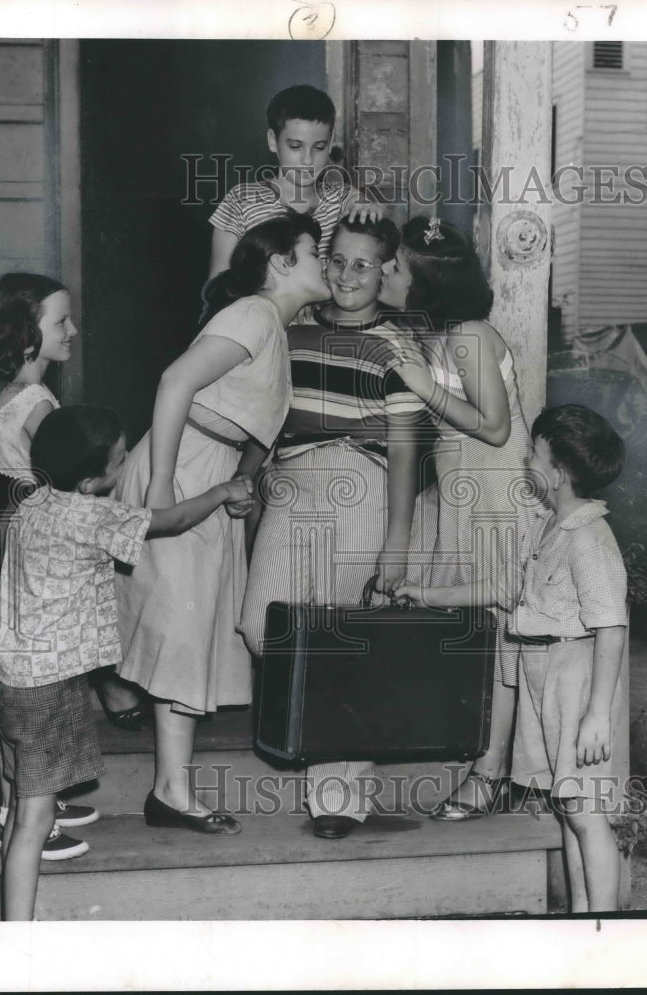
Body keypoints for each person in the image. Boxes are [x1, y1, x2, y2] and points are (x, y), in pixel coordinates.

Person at [115, 213, 331, 835]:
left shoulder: (272, 328)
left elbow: (250, 424)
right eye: (313, 251)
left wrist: (242, 483)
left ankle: (168, 788)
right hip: (178, 464)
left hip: (206, 473)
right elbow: (175, 380)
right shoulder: (253, 315)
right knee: (178, 629)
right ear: (282, 262)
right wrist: (160, 485)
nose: (322, 262)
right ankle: (170, 789)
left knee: (189, 629)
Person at [0, 404, 252, 920]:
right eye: (120, 459)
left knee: (18, 798)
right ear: (91, 482)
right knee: (32, 826)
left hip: (10, 681)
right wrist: (223, 490)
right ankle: (16, 938)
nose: (127, 462)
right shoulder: (95, 515)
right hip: (49, 690)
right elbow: (173, 519)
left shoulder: (30, 504)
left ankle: (12, 876)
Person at [396, 404, 628, 913]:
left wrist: (596, 715)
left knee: (586, 813)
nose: (526, 462)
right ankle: (583, 917)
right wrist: (424, 593)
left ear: (559, 473)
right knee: (568, 810)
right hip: (540, 675)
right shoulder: (545, 527)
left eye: (535, 454)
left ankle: (608, 930)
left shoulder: (589, 538)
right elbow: (504, 590)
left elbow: (611, 628)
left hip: (576, 678)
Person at [240, 215, 427, 839]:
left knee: (344, 634)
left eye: (364, 264)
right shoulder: (289, 330)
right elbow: (264, 417)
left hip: (361, 486)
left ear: (385, 271)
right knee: (261, 619)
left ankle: (338, 794)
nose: (348, 275)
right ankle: (311, 738)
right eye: (339, 261)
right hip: (293, 485)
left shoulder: (399, 347)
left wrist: (394, 546)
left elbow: (403, 452)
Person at [377, 216, 539, 820]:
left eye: (395, 267)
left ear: (425, 284)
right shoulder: (425, 333)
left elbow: (495, 428)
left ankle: (491, 771)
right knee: (469, 628)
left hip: (498, 492)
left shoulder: (468, 335)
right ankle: (477, 758)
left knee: (499, 630)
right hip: (458, 492)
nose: (386, 274)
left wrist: (423, 385)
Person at [0, 272, 99, 860]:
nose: (71, 330)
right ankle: (27, 816)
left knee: (21, 676)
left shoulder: (11, 394)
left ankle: (25, 799)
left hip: (15, 538)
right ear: (28, 335)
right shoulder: (39, 403)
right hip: (42, 548)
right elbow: (69, 478)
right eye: (60, 323)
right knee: (43, 677)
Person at [208, 84, 380, 279]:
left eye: (319, 147)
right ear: (273, 141)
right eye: (296, 146)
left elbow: (366, 207)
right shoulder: (240, 202)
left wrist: (369, 209)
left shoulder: (342, 198)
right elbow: (218, 284)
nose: (307, 160)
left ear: (331, 142)